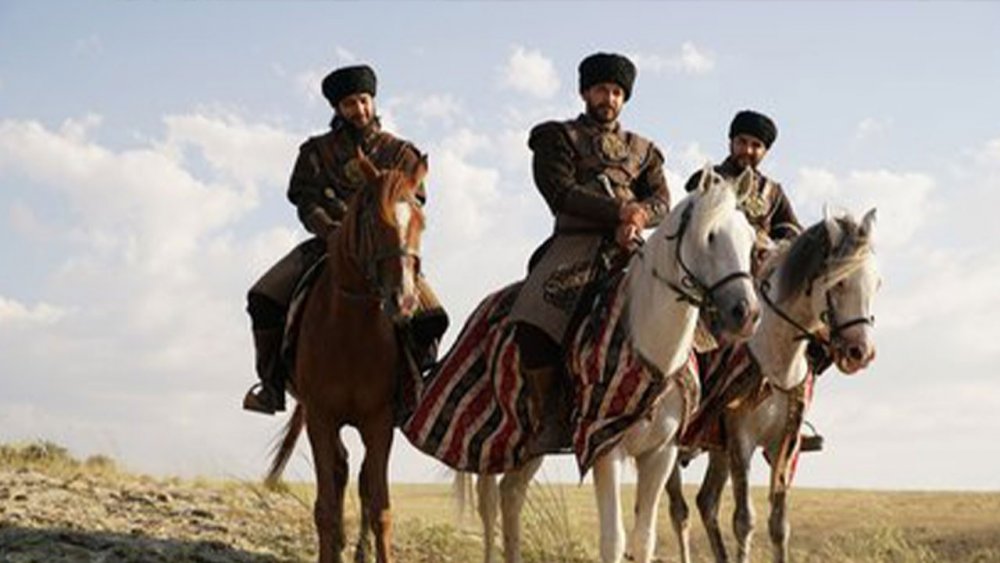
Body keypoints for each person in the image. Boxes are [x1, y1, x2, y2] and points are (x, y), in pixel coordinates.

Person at [242, 64, 448, 415]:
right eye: (350, 103)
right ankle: (271, 386)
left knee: (433, 317)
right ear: (338, 108)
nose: (359, 109)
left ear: (373, 101)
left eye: (364, 101)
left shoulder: (402, 153)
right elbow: (306, 201)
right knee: (262, 297)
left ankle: (419, 386)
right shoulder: (315, 152)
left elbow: (414, 202)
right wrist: (331, 231)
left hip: (386, 251)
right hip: (327, 245)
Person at [509, 52, 671, 453]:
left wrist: (638, 216)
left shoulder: (644, 150)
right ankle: (550, 414)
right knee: (534, 314)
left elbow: (662, 200)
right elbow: (559, 191)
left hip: (630, 245)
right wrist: (619, 211)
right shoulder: (557, 137)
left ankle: (682, 408)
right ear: (585, 93)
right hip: (575, 244)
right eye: (601, 90)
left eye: (617, 92)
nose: (609, 98)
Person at [686, 110, 828, 451]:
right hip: (715, 280)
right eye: (743, 142)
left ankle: (791, 414)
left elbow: (792, 232)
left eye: (756, 146)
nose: (748, 150)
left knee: (817, 332)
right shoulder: (707, 179)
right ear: (731, 142)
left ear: (765, 151)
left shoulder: (773, 192)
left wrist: (773, 247)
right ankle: (691, 412)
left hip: (761, 283)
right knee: (699, 339)